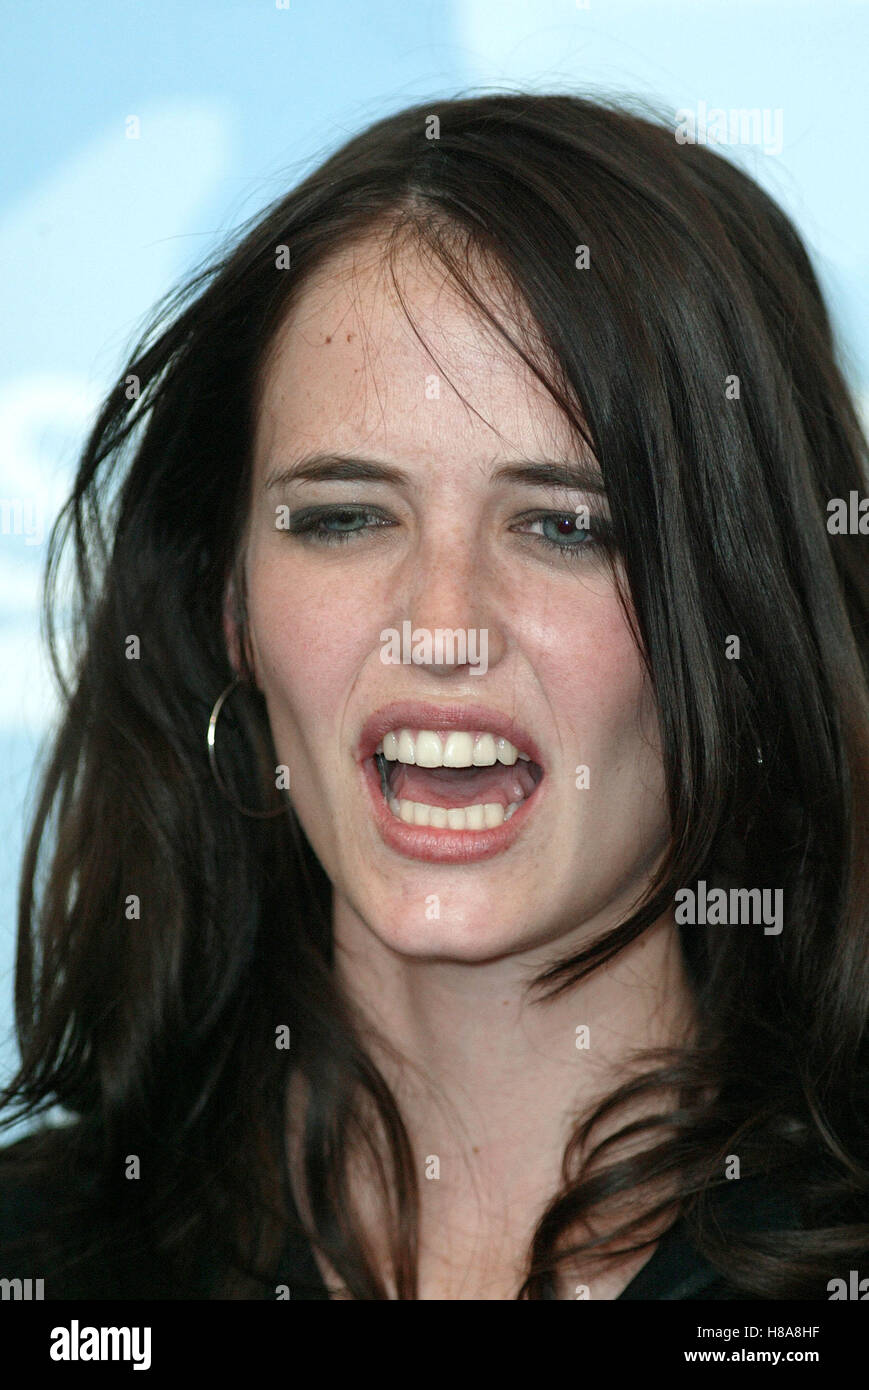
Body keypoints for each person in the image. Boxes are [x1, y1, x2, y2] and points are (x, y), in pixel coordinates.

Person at [1, 93, 867, 1301]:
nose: (440, 625)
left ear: (747, 614)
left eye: (564, 526)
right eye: (344, 517)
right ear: (229, 607)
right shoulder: (40, 1258)